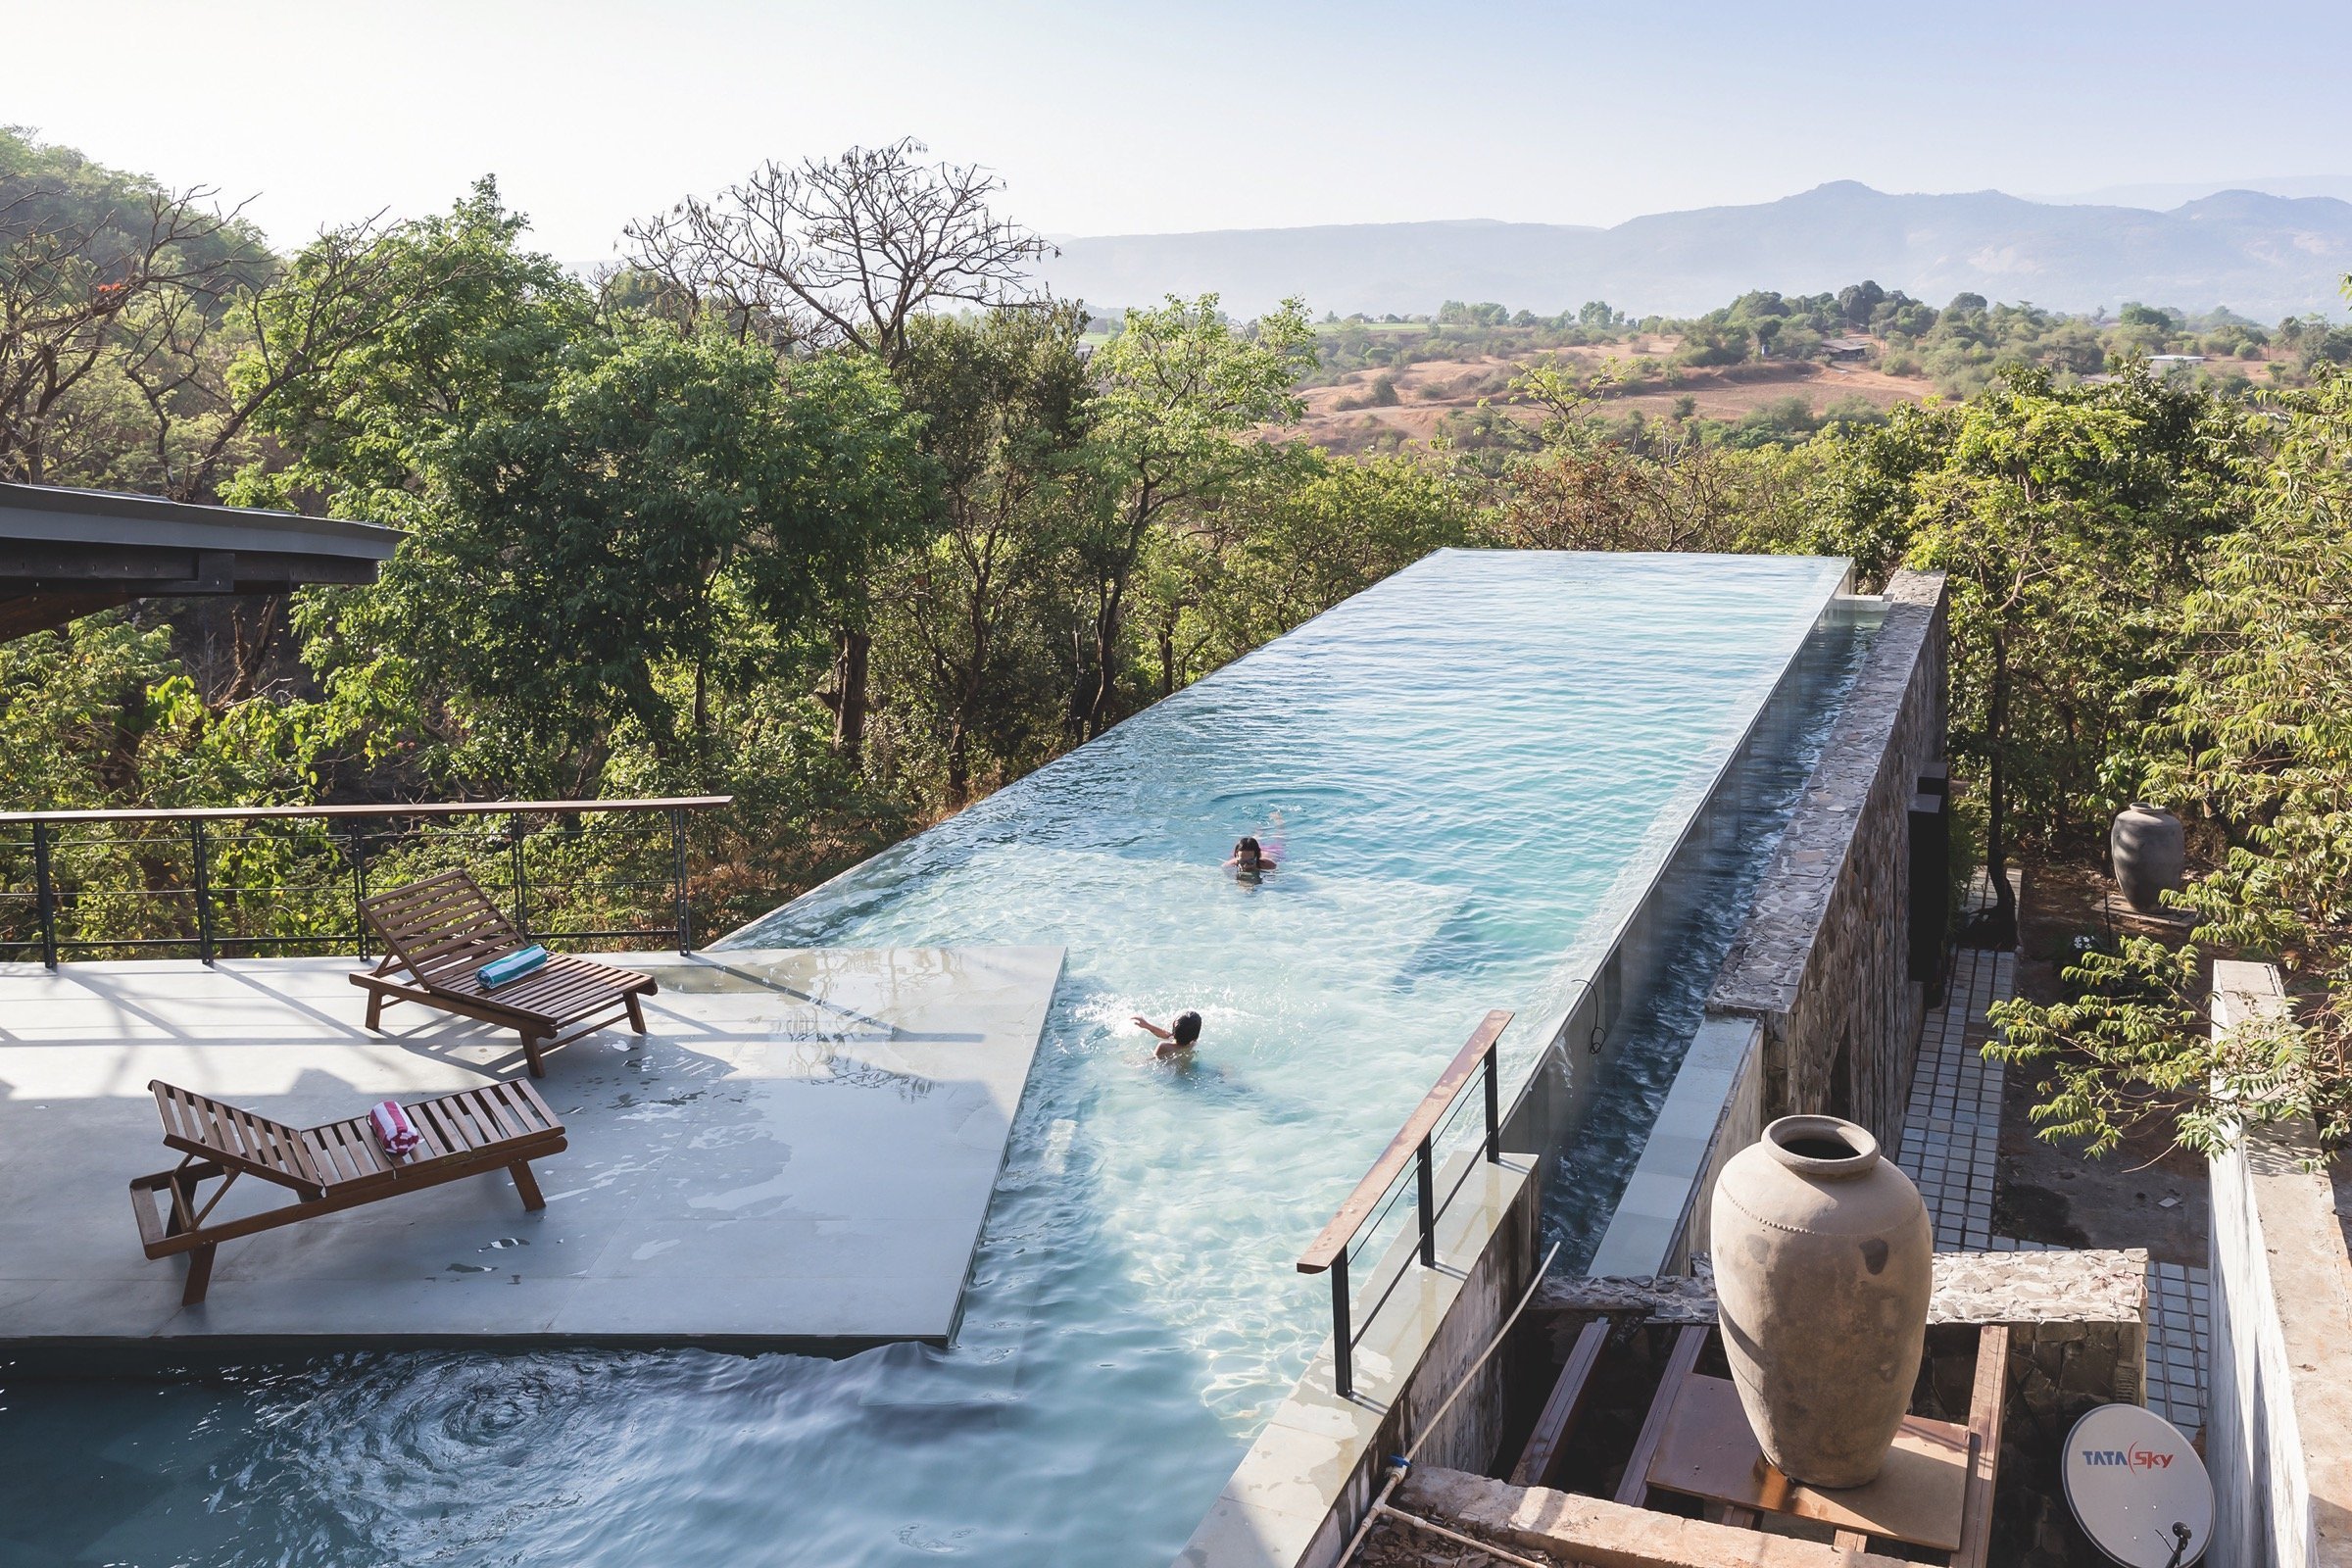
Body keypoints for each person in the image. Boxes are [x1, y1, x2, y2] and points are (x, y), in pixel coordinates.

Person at [1133, 1010, 1202, 1059]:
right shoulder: (1192, 1043)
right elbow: (1167, 1035)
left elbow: (1153, 1060)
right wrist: (1148, 1026)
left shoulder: (1164, 1046)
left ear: (1173, 1025)